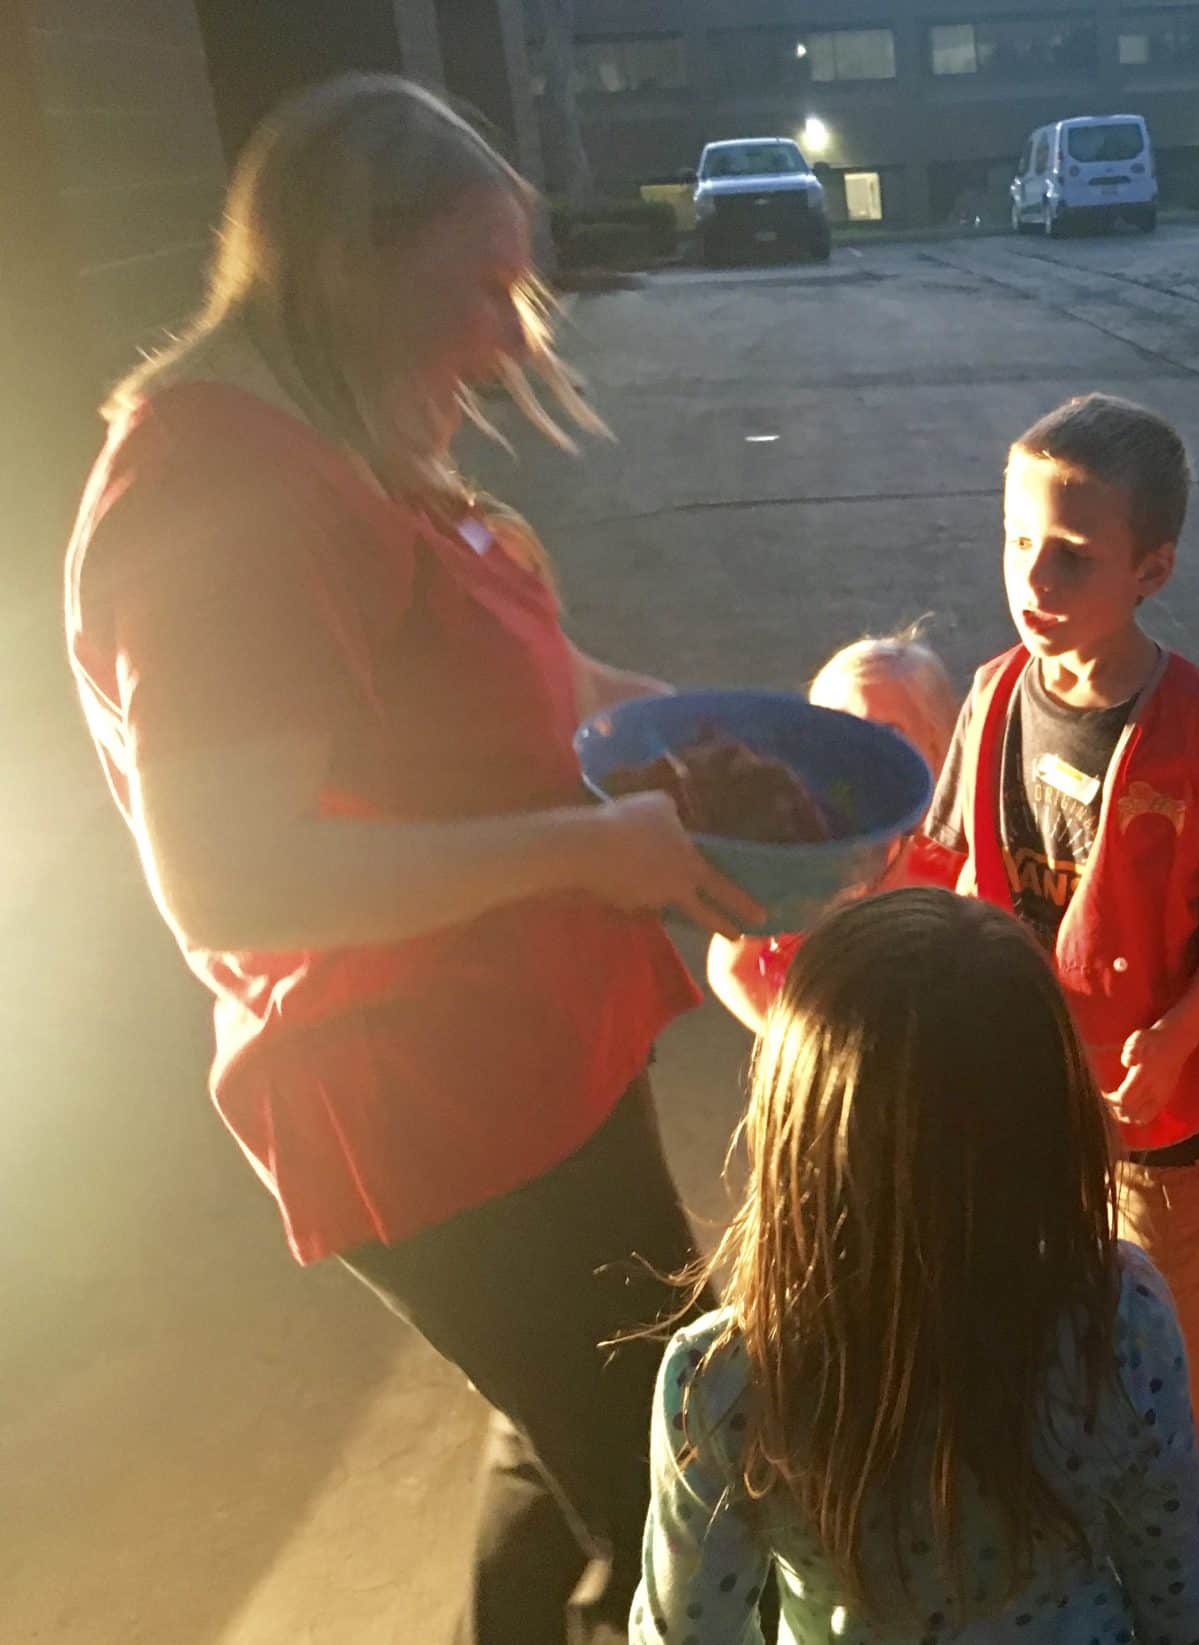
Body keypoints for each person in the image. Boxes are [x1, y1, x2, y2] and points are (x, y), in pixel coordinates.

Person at [63, 76, 759, 1645]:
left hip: (533, 1060)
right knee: (687, 1484)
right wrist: (594, 850)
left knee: (557, 1433)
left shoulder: (341, 431)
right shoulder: (220, 494)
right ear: (350, 263)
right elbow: (232, 881)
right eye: (483, 287)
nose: (514, 338)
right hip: (432, 1108)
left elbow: (504, 677)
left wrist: (674, 722)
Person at [631, 888, 1199, 1644]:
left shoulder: (721, 1381)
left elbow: (687, 1635)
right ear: (1055, 1122)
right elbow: (1185, 1603)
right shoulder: (1120, 1323)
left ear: (797, 1124)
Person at [922, 392, 1199, 1425]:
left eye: (1072, 556)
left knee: (1165, 1305)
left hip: (1153, 1103)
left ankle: (1188, 1490)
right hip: (1019, 1069)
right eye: (1017, 540)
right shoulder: (993, 696)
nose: (1033, 579)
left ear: (1151, 570)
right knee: (1028, 1279)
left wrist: (1177, 1037)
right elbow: (947, 863)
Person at [705, 627, 960, 1034]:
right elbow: (733, 967)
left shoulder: (958, 865)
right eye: (840, 732)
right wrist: (798, 1047)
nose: (861, 753)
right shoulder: (796, 854)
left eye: (889, 733)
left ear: (939, 747)